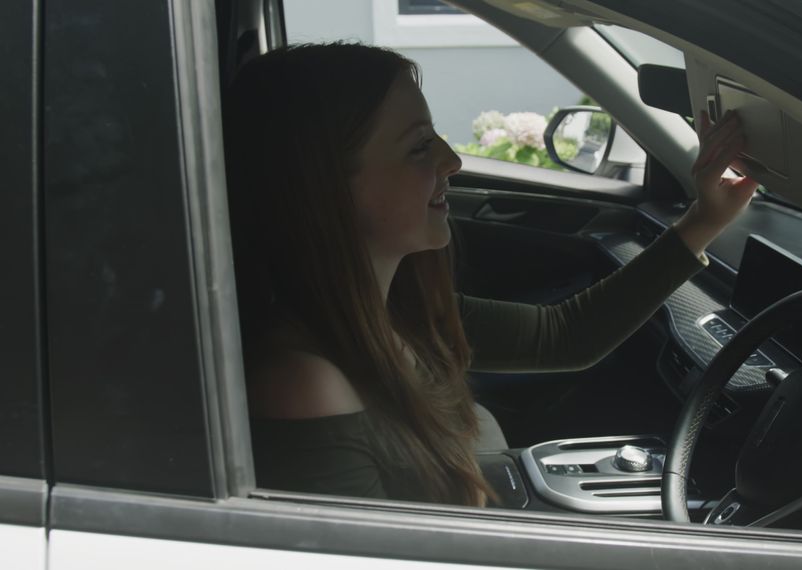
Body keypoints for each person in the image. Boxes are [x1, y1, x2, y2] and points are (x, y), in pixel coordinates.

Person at [224, 43, 757, 507]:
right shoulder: (305, 384)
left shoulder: (399, 312)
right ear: (326, 190)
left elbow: (565, 337)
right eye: (418, 147)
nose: (452, 160)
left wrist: (705, 219)